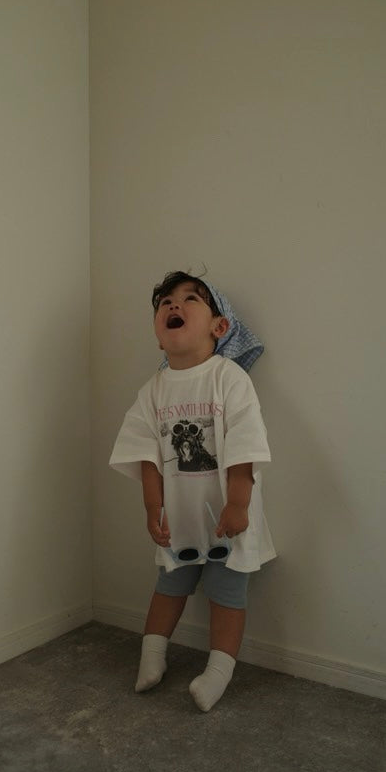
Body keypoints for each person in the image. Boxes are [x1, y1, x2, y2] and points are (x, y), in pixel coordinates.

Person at [109, 271, 275, 712]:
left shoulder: (229, 378)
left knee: (227, 593)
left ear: (219, 326)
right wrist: (153, 508)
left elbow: (244, 445)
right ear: (158, 336)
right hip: (179, 518)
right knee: (169, 585)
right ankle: (152, 656)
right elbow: (146, 454)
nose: (173, 305)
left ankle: (217, 673)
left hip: (229, 515)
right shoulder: (153, 390)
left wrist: (238, 502)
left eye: (190, 299)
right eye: (165, 301)